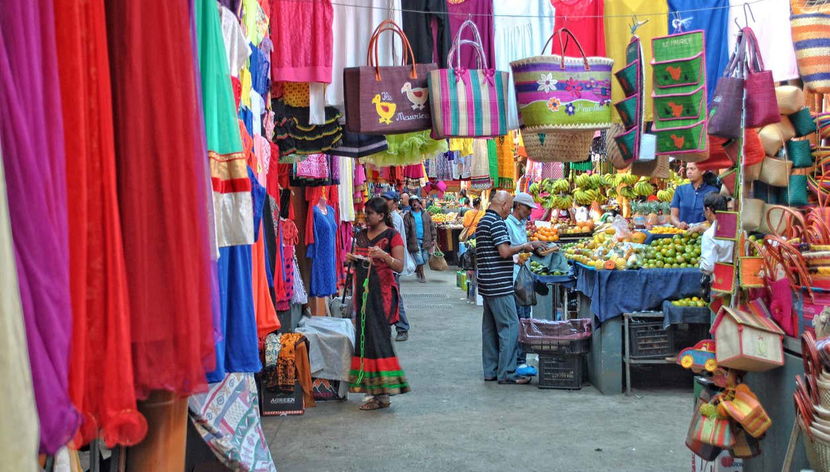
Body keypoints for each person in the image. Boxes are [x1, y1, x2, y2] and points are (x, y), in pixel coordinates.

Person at [345, 197, 410, 410]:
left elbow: (400, 266)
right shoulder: (362, 235)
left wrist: (384, 256)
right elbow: (361, 260)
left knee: (379, 340)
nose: (366, 217)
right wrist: (351, 260)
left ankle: (382, 394)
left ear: (381, 215)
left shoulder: (393, 236)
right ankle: (374, 392)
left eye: (370, 213)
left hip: (382, 295)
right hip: (363, 296)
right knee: (364, 341)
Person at [476, 190, 545, 384]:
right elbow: (504, 252)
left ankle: (491, 370)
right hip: (499, 284)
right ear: (505, 205)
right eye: (508, 207)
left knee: (490, 329)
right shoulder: (497, 222)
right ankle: (506, 371)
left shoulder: (483, 221)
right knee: (510, 326)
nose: (508, 211)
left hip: (487, 284)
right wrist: (524, 246)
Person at [505, 192, 538, 377]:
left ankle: (521, 361)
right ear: (518, 206)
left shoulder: (521, 224)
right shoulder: (508, 224)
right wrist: (522, 252)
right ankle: (518, 361)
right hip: (514, 279)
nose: (529, 212)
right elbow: (506, 251)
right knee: (518, 321)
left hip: (524, 278)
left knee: (524, 320)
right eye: (527, 208)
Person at [382, 191, 411, 342]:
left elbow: (395, 242)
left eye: (386, 200)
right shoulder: (386, 217)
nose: (384, 201)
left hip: (392, 264)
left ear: (393, 203)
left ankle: (402, 328)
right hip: (384, 263)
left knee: (394, 298)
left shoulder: (395, 218)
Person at [670, 162, 719, 229]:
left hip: (703, 234)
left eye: (692, 169)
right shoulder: (680, 190)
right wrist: (678, 224)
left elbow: (716, 217)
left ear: (702, 171)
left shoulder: (713, 191)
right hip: (681, 235)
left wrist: (699, 226)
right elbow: (673, 215)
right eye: (687, 169)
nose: (689, 172)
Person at [699, 193, 734, 274]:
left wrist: (701, 264)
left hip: (720, 281)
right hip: (738, 280)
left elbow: (708, 267)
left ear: (708, 210)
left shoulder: (710, 234)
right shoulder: (740, 230)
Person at [403, 195, 436, 283]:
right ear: (410, 204)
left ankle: (418, 269)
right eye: (412, 202)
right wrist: (405, 242)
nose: (414, 203)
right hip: (414, 240)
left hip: (426, 239)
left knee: (425, 258)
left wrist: (434, 238)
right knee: (419, 258)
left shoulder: (425, 214)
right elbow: (405, 230)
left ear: (419, 203)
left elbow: (431, 227)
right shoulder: (407, 216)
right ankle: (422, 274)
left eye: (416, 201)